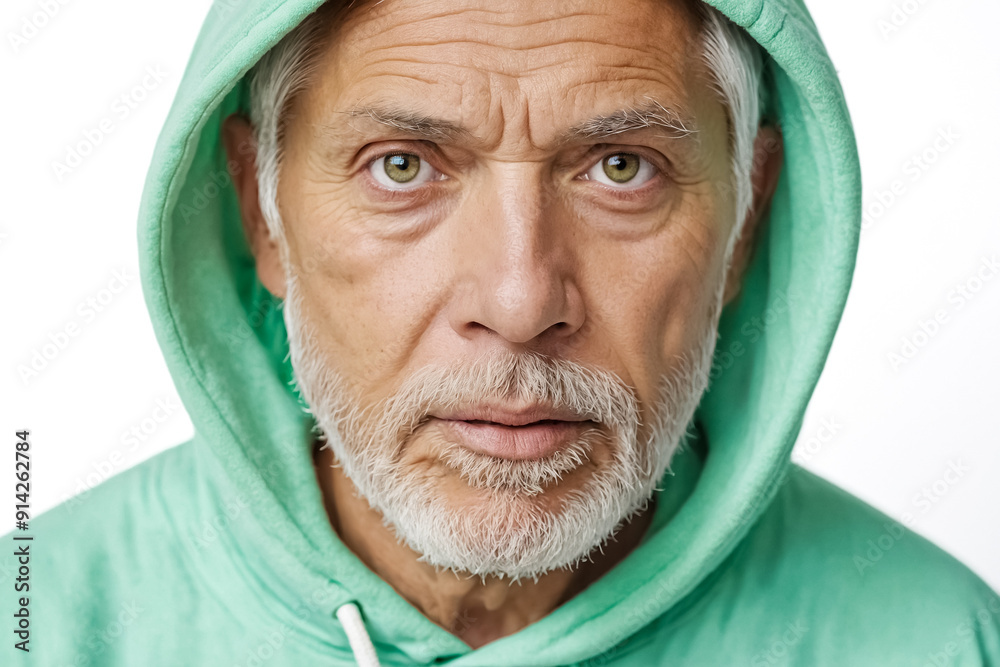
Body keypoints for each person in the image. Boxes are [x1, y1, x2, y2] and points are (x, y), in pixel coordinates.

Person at [6, 0, 999, 664]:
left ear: (744, 218)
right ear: (260, 210)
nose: (522, 303)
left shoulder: (934, 641)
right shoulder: (38, 622)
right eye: (402, 165)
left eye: (621, 167)